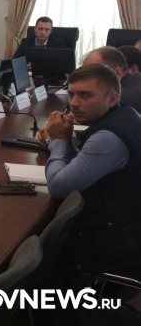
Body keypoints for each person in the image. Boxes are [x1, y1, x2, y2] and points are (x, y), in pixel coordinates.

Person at [38, 64, 141, 278]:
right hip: (122, 227)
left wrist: (57, 141)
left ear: (112, 98)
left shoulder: (109, 137)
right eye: (71, 94)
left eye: (85, 95)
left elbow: (58, 187)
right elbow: (84, 161)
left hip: (109, 248)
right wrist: (65, 138)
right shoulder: (124, 114)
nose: (74, 103)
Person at [82, 46, 141, 114]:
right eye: (84, 72)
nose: (85, 79)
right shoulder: (137, 80)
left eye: (94, 73)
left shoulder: (119, 98)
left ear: (118, 73)